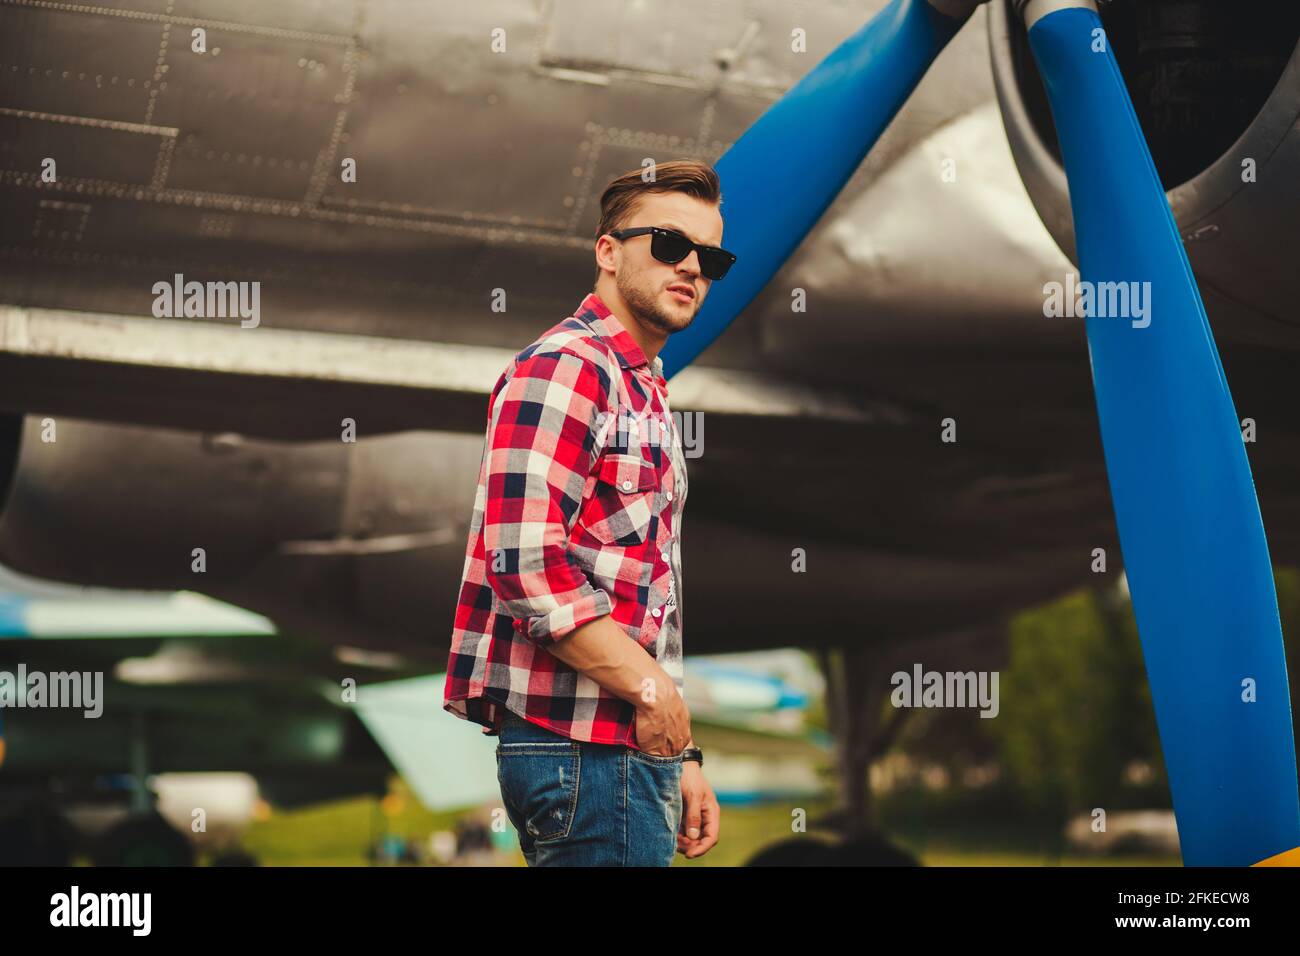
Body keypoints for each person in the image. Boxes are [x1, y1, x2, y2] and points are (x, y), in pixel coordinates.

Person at [443, 159, 735, 866]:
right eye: (669, 244)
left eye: (711, 257)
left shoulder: (643, 388)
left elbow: (645, 599)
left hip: (625, 751)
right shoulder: (566, 367)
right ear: (608, 252)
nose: (692, 266)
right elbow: (525, 564)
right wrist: (654, 694)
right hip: (580, 754)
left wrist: (680, 750)